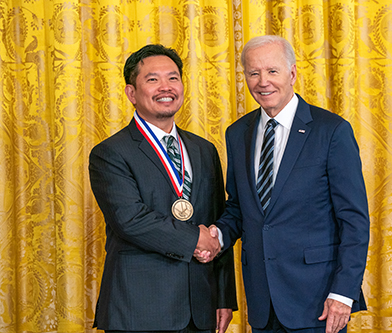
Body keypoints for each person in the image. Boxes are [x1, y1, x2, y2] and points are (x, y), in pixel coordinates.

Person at [198, 35, 370, 333]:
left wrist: (343, 294)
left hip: (319, 302)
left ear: (292, 73)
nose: (263, 82)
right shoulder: (237, 134)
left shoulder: (331, 131)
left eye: (272, 71)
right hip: (263, 301)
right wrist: (216, 236)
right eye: (254, 73)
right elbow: (239, 208)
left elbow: (354, 220)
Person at [89, 44, 237, 333]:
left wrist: (224, 297)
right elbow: (131, 221)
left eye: (173, 78)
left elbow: (218, 220)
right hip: (139, 310)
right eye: (152, 79)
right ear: (132, 93)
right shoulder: (110, 153)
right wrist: (195, 238)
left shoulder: (204, 150)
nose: (165, 87)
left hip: (201, 309)